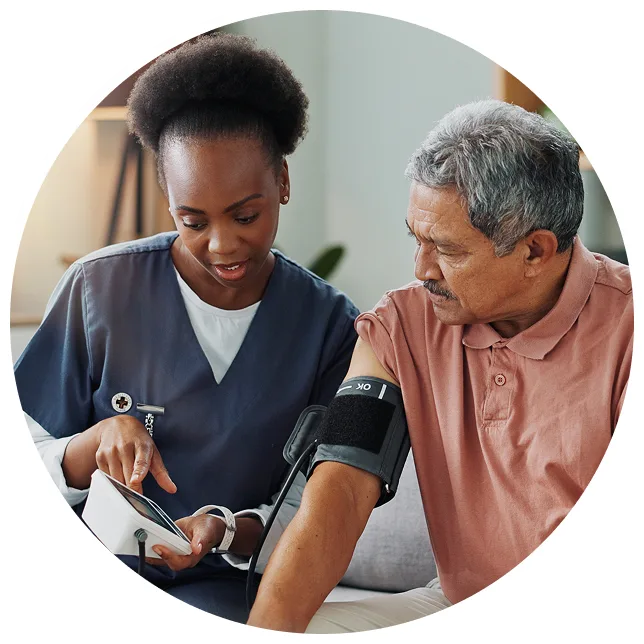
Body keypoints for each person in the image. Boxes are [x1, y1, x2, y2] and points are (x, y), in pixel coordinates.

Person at [245, 99, 634, 633]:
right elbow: (339, 487)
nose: (420, 268)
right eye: (417, 238)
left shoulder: (629, 328)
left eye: (447, 250)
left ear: (536, 251)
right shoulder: (400, 327)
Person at [13, 32, 359, 624]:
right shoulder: (98, 289)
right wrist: (89, 446)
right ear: (167, 197)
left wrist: (224, 531)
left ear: (282, 181)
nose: (222, 245)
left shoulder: (331, 326)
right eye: (192, 220)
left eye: (246, 215)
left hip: (223, 596)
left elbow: (311, 511)